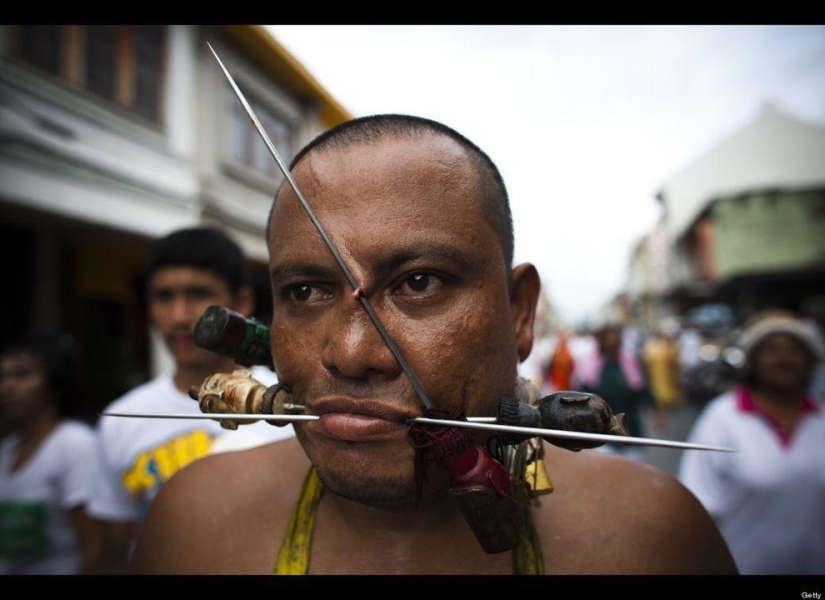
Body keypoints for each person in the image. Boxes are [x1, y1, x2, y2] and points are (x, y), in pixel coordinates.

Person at [130, 115, 735, 575]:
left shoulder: (649, 541)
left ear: (519, 312)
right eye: (307, 290)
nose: (350, 351)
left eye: (420, 282)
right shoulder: (193, 528)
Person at [89, 227, 294, 573]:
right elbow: (112, 547)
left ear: (241, 303)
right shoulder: (120, 419)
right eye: (164, 297)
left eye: (198, 294)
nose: (180, 316)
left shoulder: (290, 408)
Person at [679, 310, 825, 575]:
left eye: (795, 350)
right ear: (754, 360)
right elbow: (700, 505)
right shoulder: (722, 418)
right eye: (771, 349)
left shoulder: (821, 418)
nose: (784, 358)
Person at [0, 335, 100, 574]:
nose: (7, 386)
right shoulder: (7, 449)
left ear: (54, 383)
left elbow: (95, 547)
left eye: (22, 374)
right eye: (3, 376)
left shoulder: (74, 445)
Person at [574, 324, 654, 461]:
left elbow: (642, 390)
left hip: (630, 426)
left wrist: (653, 407)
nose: (612, 342)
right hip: (602, 431)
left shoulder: (631, 363)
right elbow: (583, 395)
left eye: (616, 338)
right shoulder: (591, 366)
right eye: (609, 339)